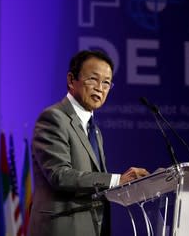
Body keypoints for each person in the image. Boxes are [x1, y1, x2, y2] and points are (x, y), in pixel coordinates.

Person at [28, 50, 149, 236]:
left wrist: (128, 185)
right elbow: (60, 175)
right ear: (71, 80)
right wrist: (117, 180)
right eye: (93, 79)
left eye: (106, 82)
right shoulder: (53, 118)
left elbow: (95, 184)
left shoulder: (94, 130)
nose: (100, 88)